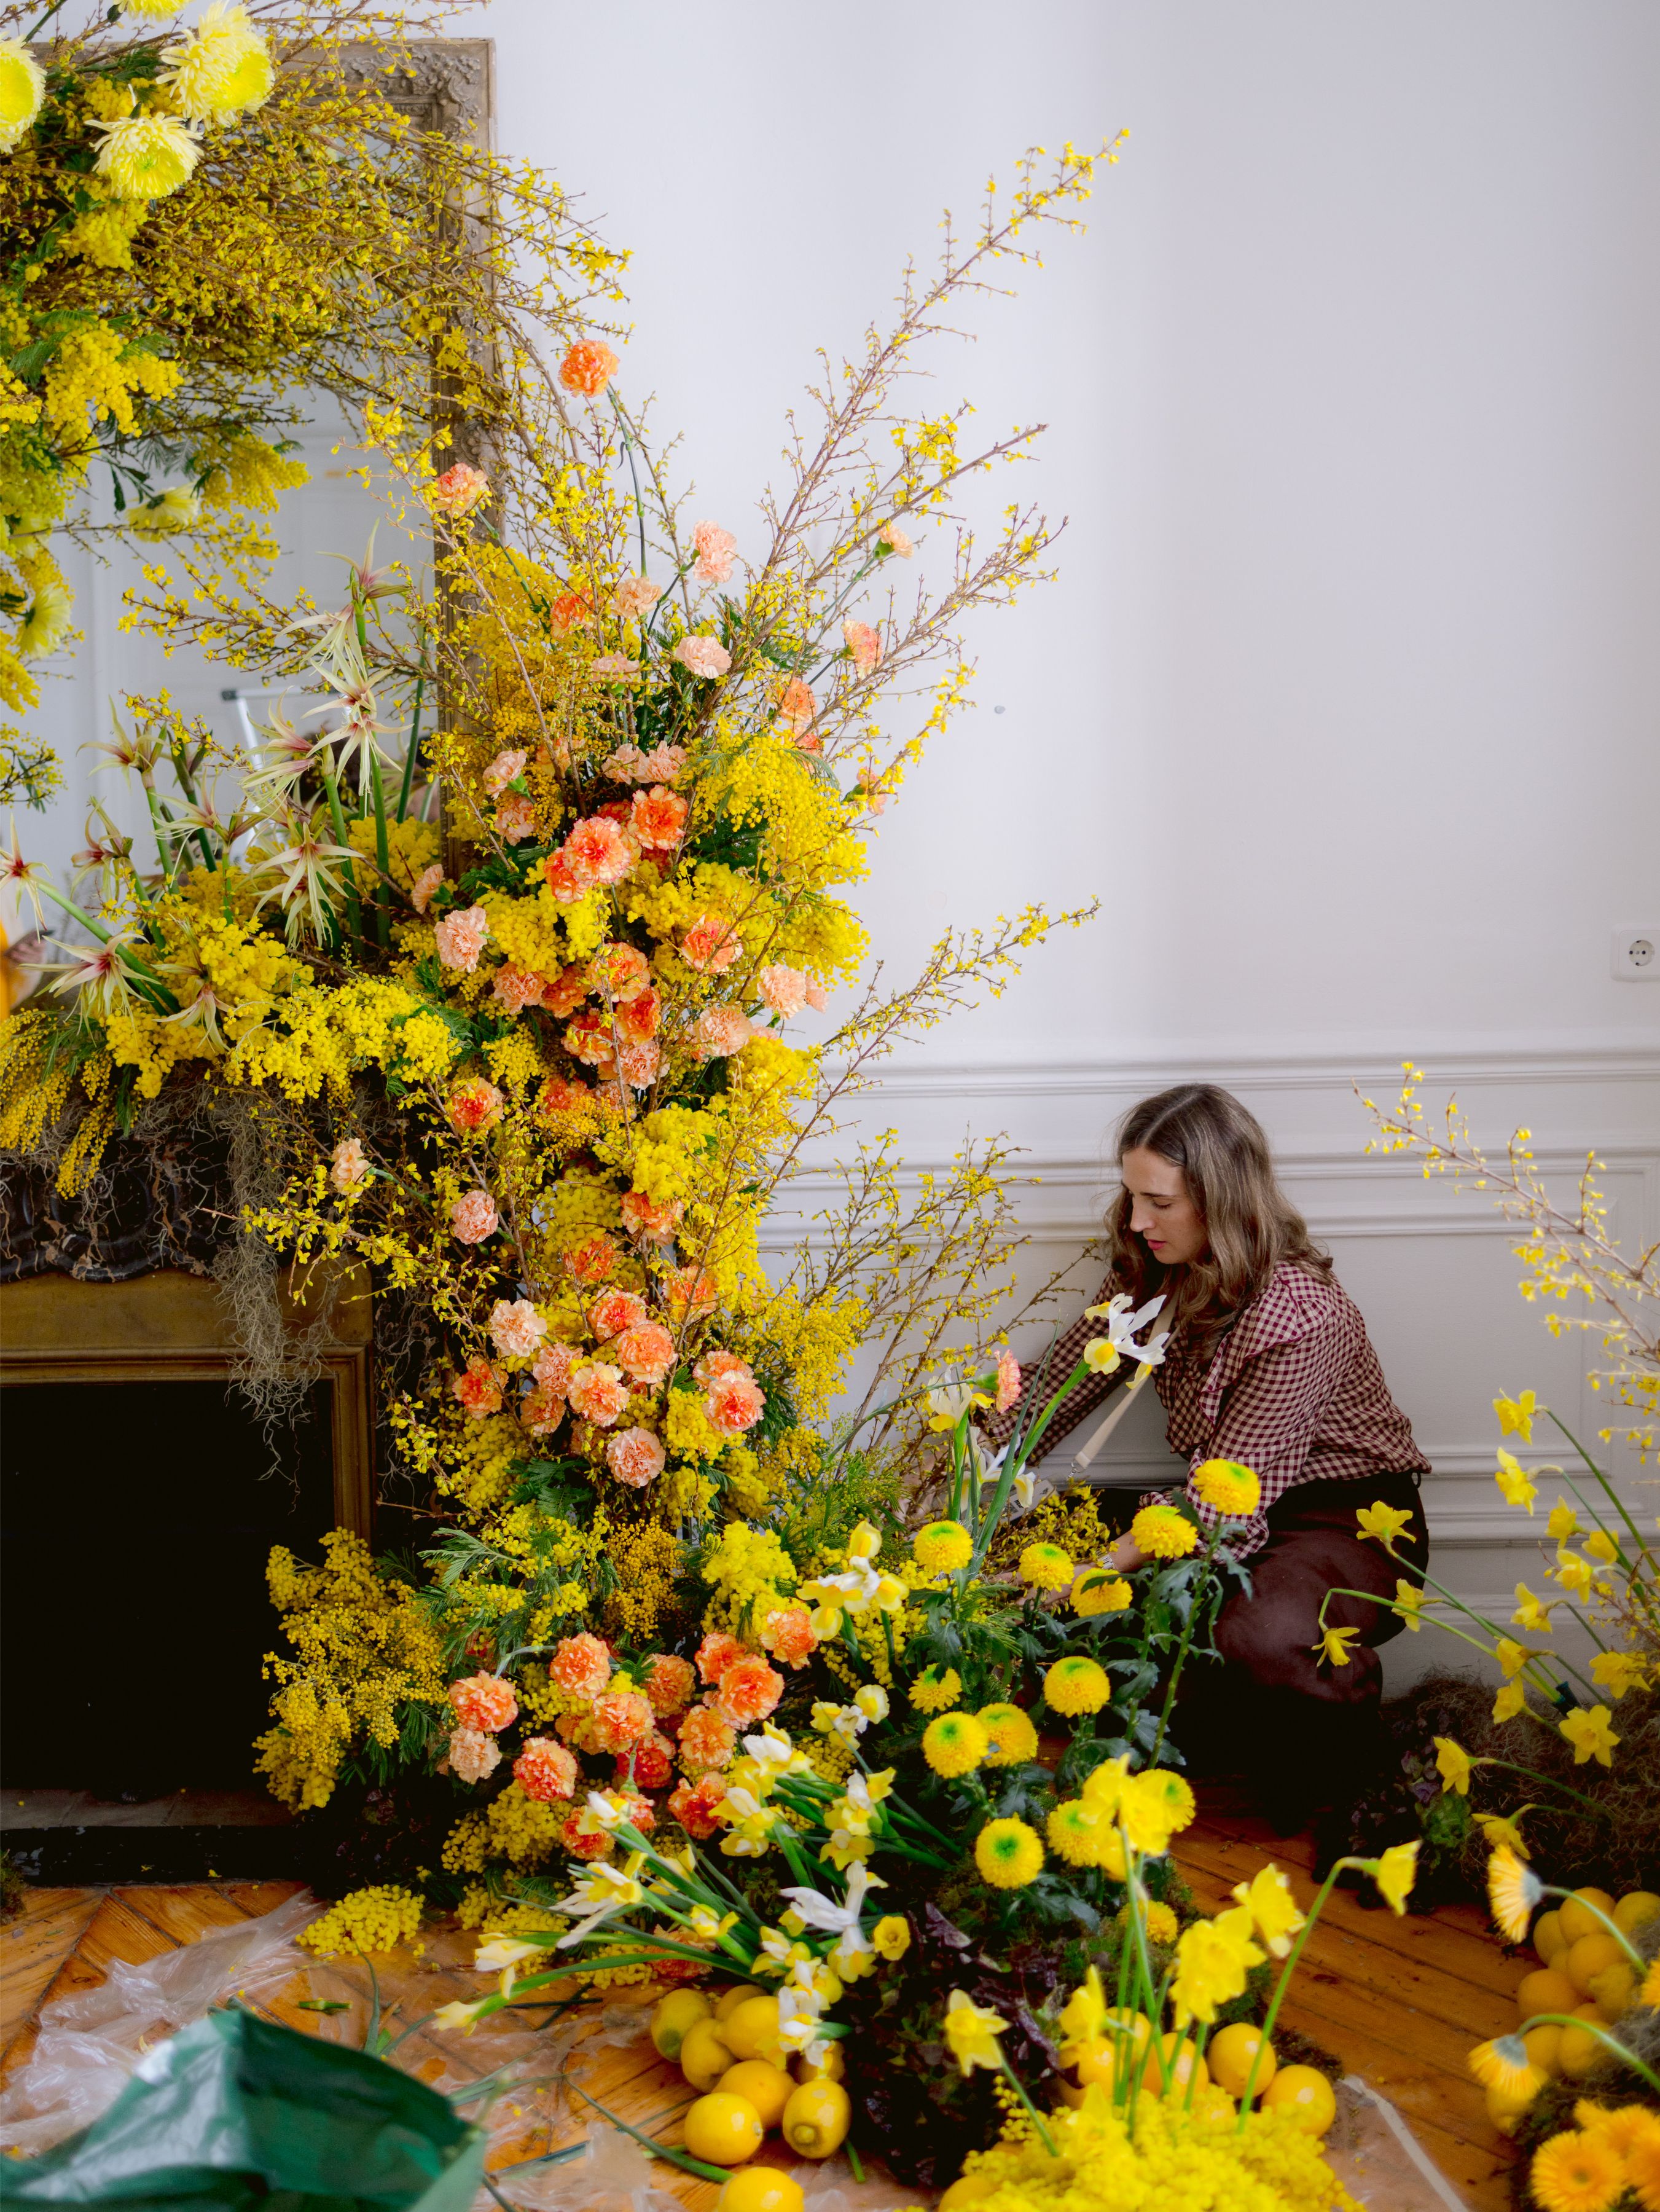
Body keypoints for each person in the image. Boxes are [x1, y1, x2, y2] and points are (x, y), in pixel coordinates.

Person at [985, 1083, 1430, 1832]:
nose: (1135, 1220)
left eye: (1157, 1201)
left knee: (1249, 1630)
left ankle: (1351, 1761)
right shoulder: (1149, 1268)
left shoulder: (1297, 1314)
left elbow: (1227, 1506)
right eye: (1131, 1195)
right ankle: (1212, 1719)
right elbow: (1056, 1390)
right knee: (1024, 1544)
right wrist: (963, 1474)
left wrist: (1089, 1574)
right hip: (1217, 1494)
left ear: (1220, 1200)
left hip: (1345, 1520)